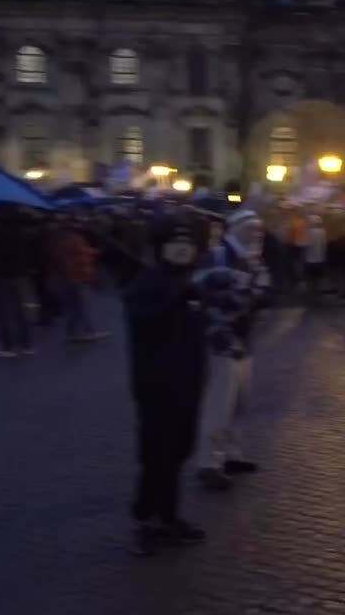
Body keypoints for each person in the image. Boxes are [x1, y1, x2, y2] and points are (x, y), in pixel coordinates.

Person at [123, 216, 207, 556]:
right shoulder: (148, 281)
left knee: (180, 450)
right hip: (158, 385)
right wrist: (174, 302)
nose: (182, 250)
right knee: (158, 453)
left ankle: (162, 514)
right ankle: (152, 519)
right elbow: (144, 321)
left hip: (187, 383)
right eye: (176, 245)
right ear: (162, 249)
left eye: (187, 246)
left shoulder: (190, 282)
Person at [193, 209, 270, 491]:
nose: (256, 234)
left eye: (259, 230)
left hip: (244, 340)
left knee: (239, 403)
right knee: (219, 404)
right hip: (222, 342)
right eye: (250, 229)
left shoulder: (254, 260)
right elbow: (203, 290)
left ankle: (230, 454)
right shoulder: (218, 255)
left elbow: (259, 296)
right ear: (235, 230)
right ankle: (208, 463)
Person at [0, 205, 33, 358]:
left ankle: (8, 346)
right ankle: (26, 344)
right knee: (19, 310)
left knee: (2, 311)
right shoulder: (18, 228)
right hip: (16, 272)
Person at [49, 214, 106, 342]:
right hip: (74, 277)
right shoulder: (75, 239)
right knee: (80, 306)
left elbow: (60, 257)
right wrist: (89, 275)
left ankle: (74, 332)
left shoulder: (58, 239)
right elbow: (80, 258)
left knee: (72, 306)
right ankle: (86, 331)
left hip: (63, 277)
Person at [303, 213, 327, 302]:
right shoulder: (322, 232)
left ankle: (311, 292)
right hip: (320, 257)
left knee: (310, 276)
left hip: (309, 258)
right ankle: (318, 291)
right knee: (318, 276)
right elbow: (324, 245)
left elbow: (305, 244)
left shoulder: (308, 232)